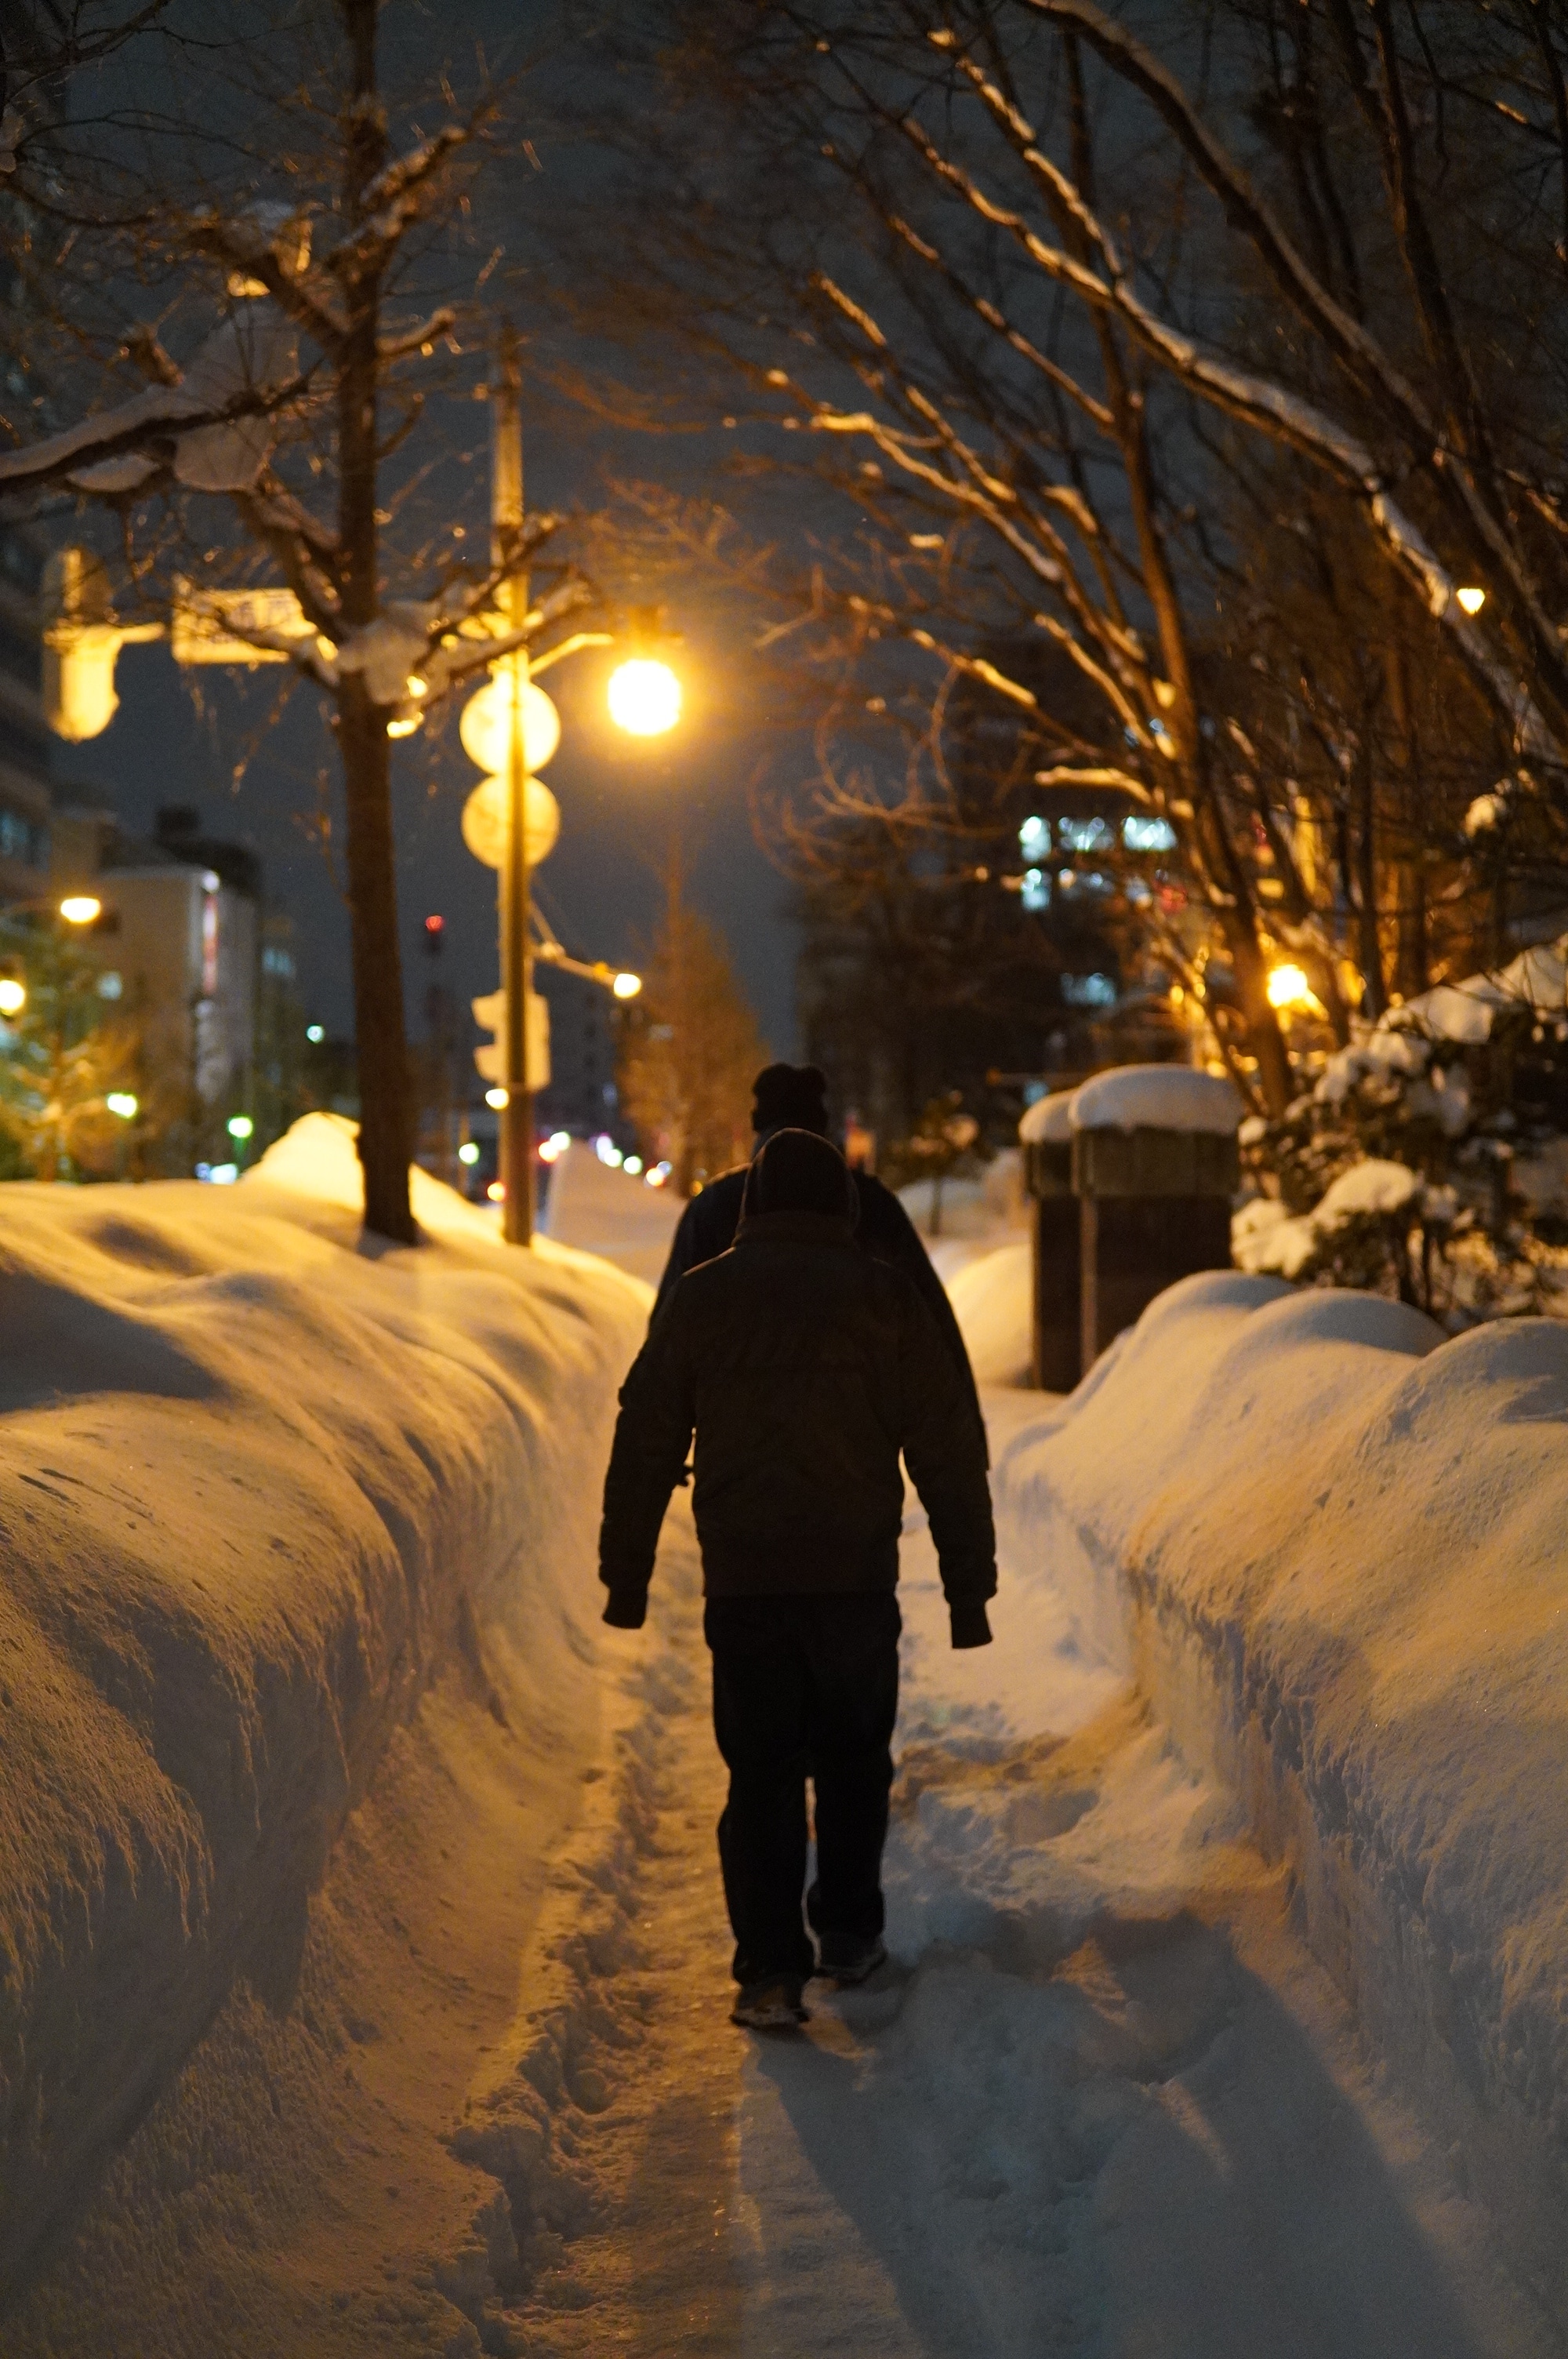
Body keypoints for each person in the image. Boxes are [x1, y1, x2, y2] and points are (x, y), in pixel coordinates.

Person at [598, 1126, 997, 2032]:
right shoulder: (884, 1299)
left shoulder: (701, 1301)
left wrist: (625, 1572)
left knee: (761, 1772)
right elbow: (945, 1450)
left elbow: (643, 1440)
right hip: (855, 1580)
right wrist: (967, 1585)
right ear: (839, 1208)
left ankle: (770, 1968)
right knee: (855, 1759)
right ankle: (849, 1931)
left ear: (751, 1206)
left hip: (744, 1585)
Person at [652, 1061, 986, 1456]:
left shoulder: (715, 1208)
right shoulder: (871, 1206)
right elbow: (929, 1325)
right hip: (855, 1465)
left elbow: (668, 1337)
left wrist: (662, 1446)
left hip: (736, 1470)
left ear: (759, 1125)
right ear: (822, 1125)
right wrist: (962, 1446)